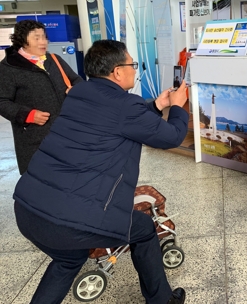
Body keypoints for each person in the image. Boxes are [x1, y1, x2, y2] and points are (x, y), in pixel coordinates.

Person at [13, 40, 188, 304]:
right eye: (132, 65)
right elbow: (172, 136)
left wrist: (154, 106)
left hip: (28, 210)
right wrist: (177, 106)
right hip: (68, 221)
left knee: (68, 258)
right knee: (142, 227)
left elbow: (114, 122)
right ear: (118, 72)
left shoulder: (79, 94)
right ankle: (162, 300)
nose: (134, 70)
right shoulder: (125, 106)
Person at [0, 19, 82, 174]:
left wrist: (75, 90)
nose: (43, 42)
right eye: (36, 38)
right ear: (23, 40)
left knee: (70, 180)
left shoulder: (54, 60)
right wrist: (28, 115)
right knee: (40, 184)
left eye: (44, 37)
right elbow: (2, 101)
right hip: (34, 140)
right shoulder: (9, 68)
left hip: (67, 134)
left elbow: (77, 80)